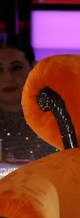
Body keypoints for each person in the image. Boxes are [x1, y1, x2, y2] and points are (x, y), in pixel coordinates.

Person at [0, 34, 58, 162]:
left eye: (16, 68)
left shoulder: (54, 119)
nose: (7, 77)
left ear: (33, 67)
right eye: (0, 70)